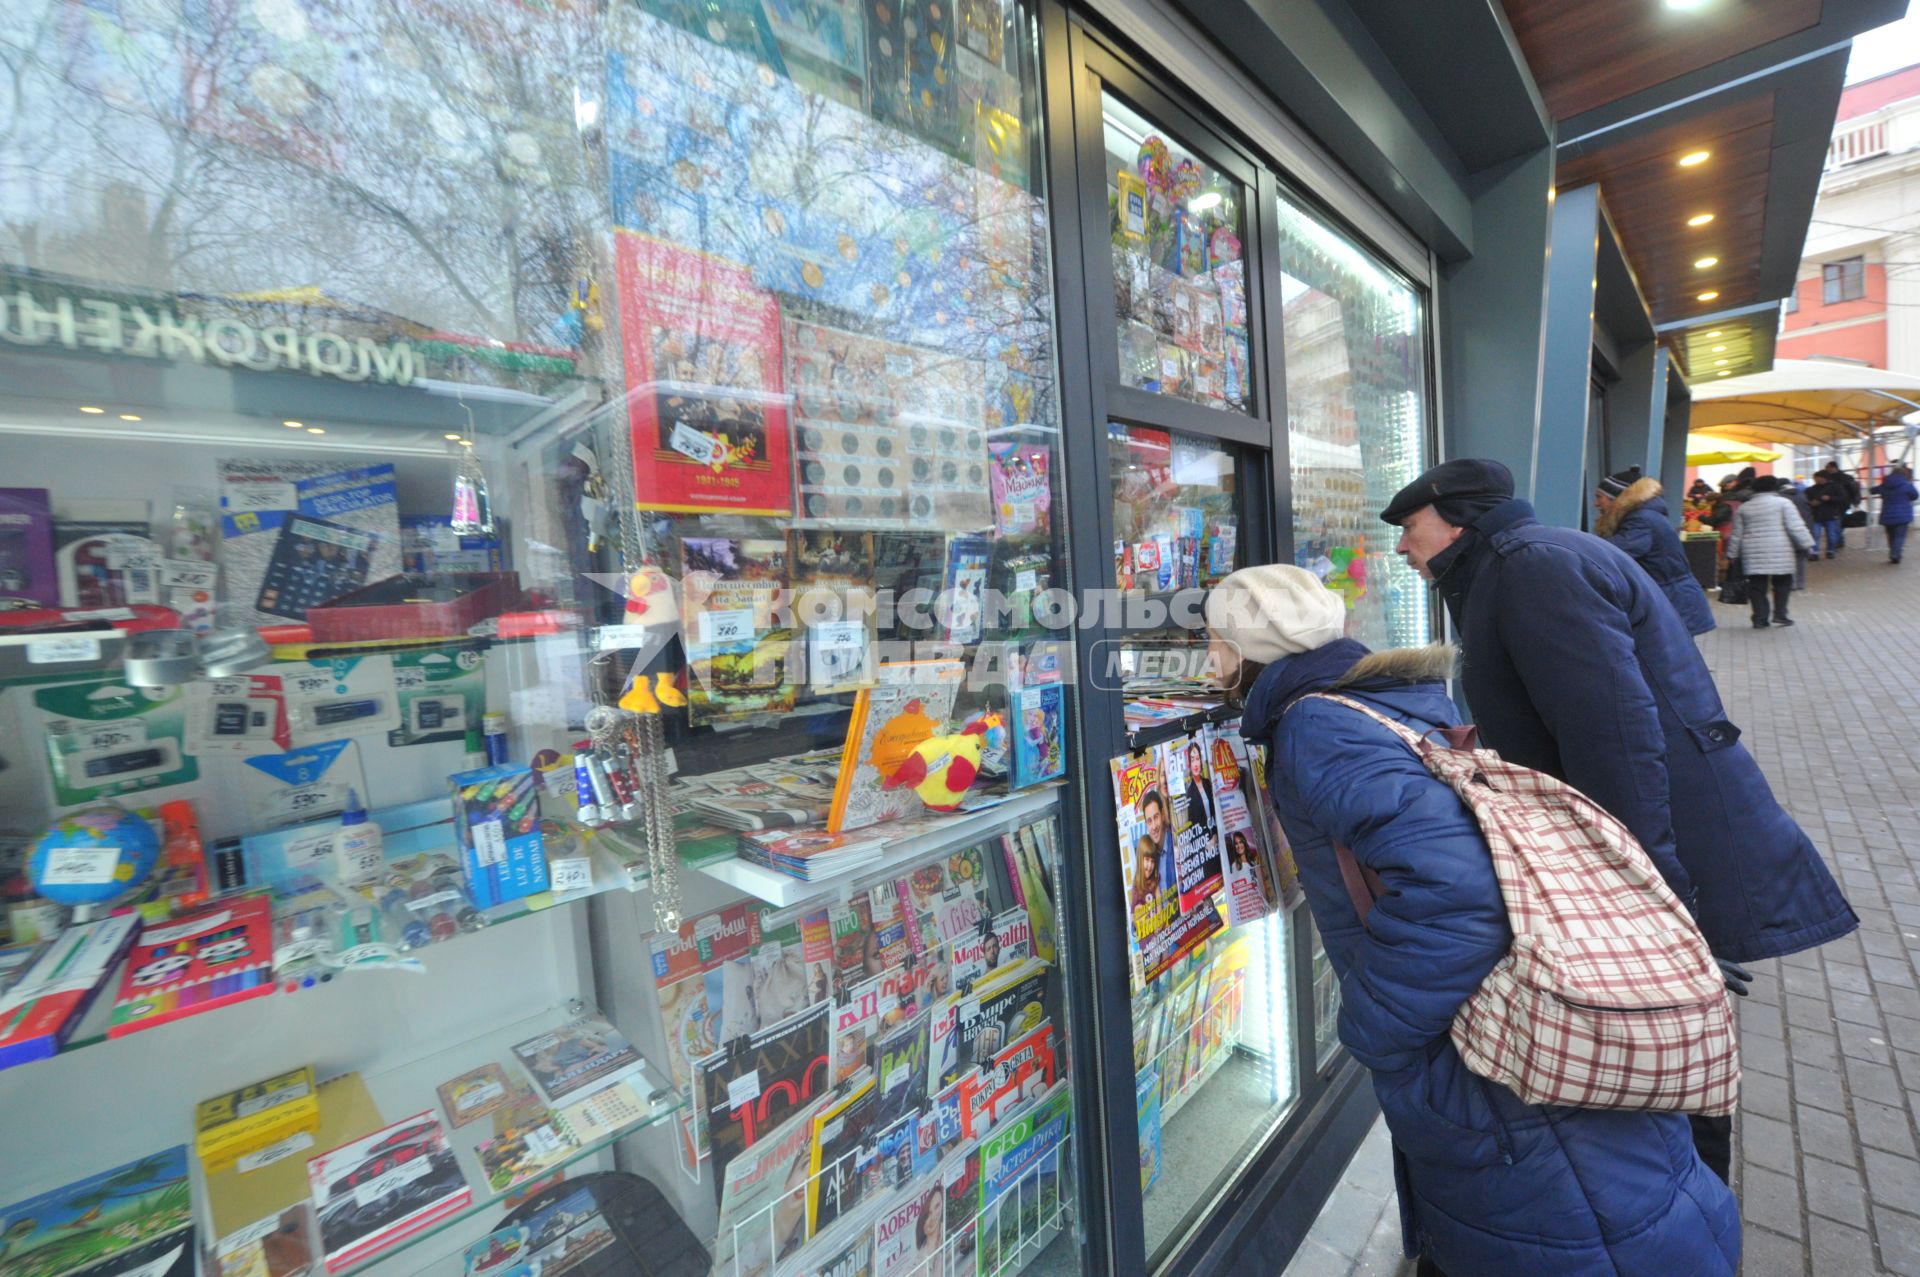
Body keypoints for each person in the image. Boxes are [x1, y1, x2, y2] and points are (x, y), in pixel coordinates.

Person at [1207, 565, 1740, 1276]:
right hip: (1521, 1053)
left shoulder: (1316, 725)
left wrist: (1377, 1026)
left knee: (1576, 1217)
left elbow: (1461, 894)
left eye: (1211, 640)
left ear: (1250, 647)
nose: (1206, 659)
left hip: (1485, 1068)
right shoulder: (1380, 695)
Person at [1381, 458, 1858, 1181]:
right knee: (1667, 1037)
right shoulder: (1521, 561)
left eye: (1409, 528)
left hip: (1657, 837)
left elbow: (1617, 738)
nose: (1400, 546)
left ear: (1456, 521)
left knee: (1665, 1040)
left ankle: (1690, 1215)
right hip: (1653, 828)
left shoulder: (1531, 567)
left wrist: (1653, 893)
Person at [1592, 465, 1714, 635]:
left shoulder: (1641, 520)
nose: (1595, 503)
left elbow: (1613, 553)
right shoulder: (1644, 516)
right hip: (1672, 599)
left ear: (1617, 498)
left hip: (1672, 601)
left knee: (1668, 659)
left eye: (1600, 497)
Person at [1729, 475, 1815, 627]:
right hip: (1780, 549)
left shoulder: (1744, 507)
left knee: (1757, 586)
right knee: (1782, 582)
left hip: (1753, 551)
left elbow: (1737, 534)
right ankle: (1780, 614)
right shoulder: (1783, 503)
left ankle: (1760, 618)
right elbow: (1795, 527)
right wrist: (1807, 544)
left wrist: (1732, 554)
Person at [1873, 464, 1918, 564]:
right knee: (1900, 536)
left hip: (1887, 514)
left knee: (1891, 535)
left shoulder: (1885, 483)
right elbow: (1915, 496)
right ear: (1903, 474)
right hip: (1903, 515)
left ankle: (1894, 553)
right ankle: (1895, 554)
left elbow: (1873, 490)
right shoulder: (1907, 484)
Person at [1805, 470, 1848, 558]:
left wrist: (1830, 498)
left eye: (1817, 478)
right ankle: (1814, 553)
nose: (1815, 479)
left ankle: (1830, 551)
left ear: (1824, 478)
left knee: (1832, 535)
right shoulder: (1811, 489)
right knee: (1815, 534)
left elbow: (1843, 498)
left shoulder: (1835, 487)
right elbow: (1806, 500)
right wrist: (1811, 503)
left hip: (1831, 514)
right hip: (1816, 515)